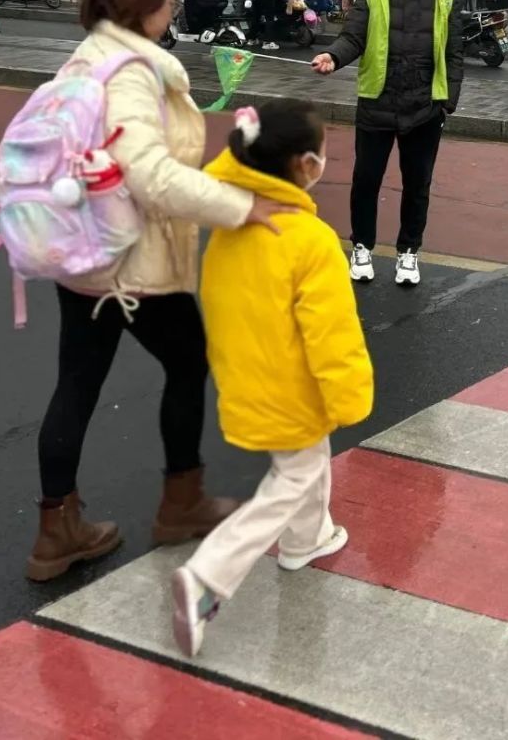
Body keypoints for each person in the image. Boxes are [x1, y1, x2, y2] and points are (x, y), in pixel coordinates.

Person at [26, 0, 286, 583]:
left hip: (81, 250)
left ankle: (56, 531)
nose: (174, 1)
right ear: (141, 4)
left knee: (78, 384)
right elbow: (149, 174)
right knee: (188, 360)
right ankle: (181, 502)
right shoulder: (131, 72)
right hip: (131, 261)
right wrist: (238, 206)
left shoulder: (83, 60)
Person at [169, 100, 373, 657]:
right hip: (294, 386)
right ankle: (208, 579)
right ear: (307, 166)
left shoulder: (231, 226)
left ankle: (307, 540)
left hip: (245, 377)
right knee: (293, 478)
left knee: (303, 464)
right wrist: (351, 394)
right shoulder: (310, 240)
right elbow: (333, 335)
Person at [312, 0, 463, 288]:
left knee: (417, 184)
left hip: (425, 106)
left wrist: (447, 102)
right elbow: (354, 37)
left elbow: (455, 54)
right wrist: (333, 56)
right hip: (377, 101)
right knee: (366, 180)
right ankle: (361, 247)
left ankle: (408, 252)